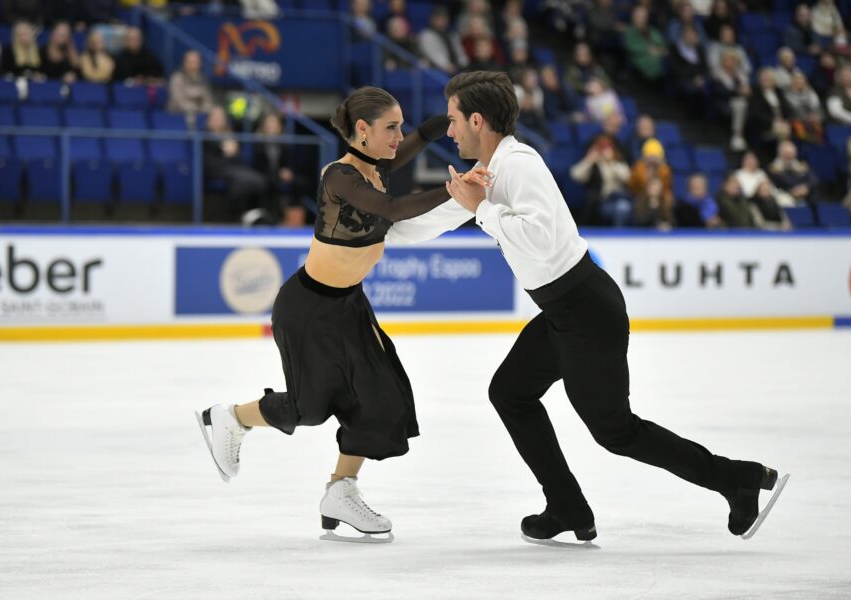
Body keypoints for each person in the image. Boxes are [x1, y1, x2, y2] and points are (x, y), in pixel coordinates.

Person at [385, 70, 787, 543]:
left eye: (453, 121)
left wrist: (482, 210)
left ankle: (736, 479)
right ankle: (567, 505)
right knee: (511, 392)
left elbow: (534, 238)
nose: (448, 131)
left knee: (617, 431)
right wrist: (376, 235)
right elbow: (445, 216)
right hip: (563, 311)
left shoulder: (520, 166)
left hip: (586, 311)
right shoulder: (491, 170)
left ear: (477, 120)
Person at [195, 87, 470, 542]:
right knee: (310, 409)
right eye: (389, 128)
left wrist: (452, 121)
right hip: (307, 308)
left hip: (349, 306)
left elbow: (422, 135)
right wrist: (454, 190)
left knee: (384, 400)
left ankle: (340, 490)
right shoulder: (341, 177)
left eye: (399, 126)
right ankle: (232, 418)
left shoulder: (377, 165)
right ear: (362, 131)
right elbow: (393, 210)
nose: (398, 136)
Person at [168, 50, 214, 119]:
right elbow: (179, 103)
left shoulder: (202, 78)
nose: (193, 65)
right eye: (190, 62)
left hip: (200, 114)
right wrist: (197, 107)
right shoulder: (177, 78)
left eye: (196, 62)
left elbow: (208, 101)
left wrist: (207, 108)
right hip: (178, 115)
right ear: (185, 63)